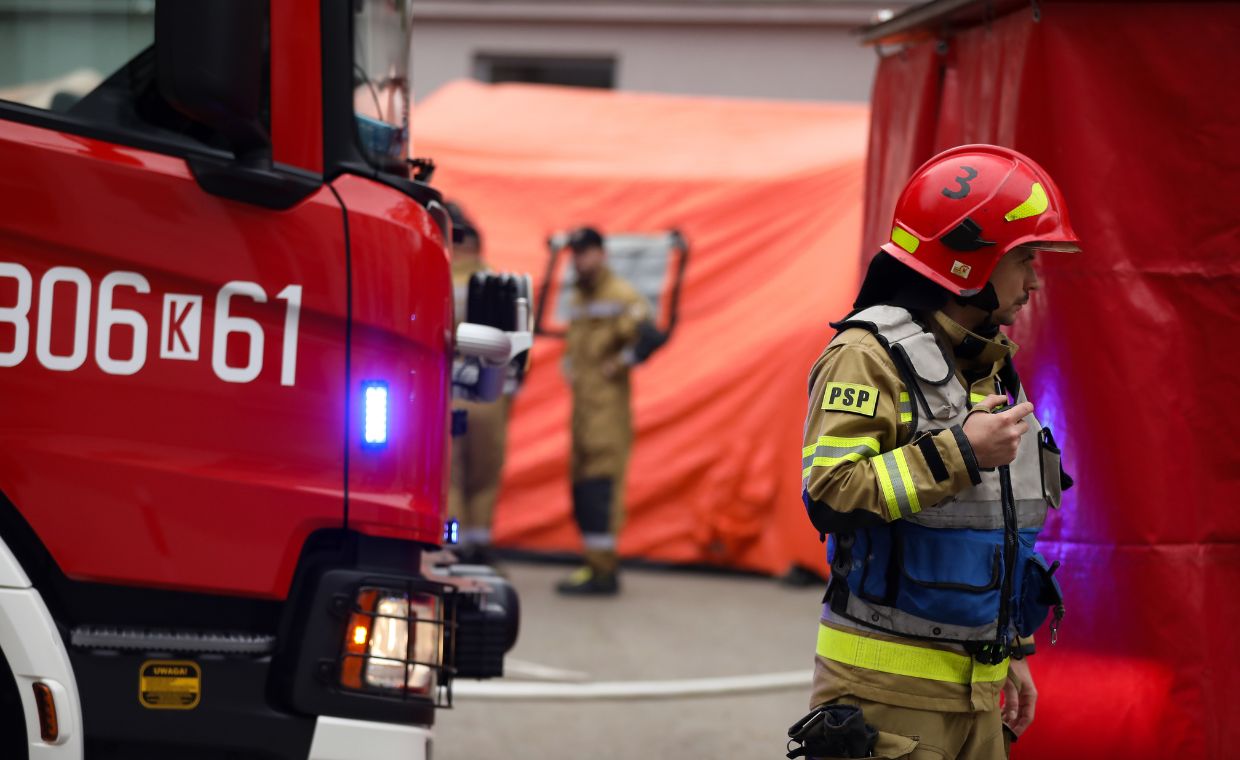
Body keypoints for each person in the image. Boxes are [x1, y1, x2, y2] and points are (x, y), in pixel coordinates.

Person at [791, 145, 1079, 759]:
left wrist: (1012, 649)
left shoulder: (990, 364)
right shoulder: (867, 356)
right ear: (969, 262)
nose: (1034, 280)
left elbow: (994, 526)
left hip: (979, 690)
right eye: (1024, 258)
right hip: (885, 695)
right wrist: (960, 452)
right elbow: (831, 495)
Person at [556, 226, 651, 595]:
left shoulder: (620, 294)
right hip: (582, 409)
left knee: (601, 485)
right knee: (581, 486)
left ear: (601, 253)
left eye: (585, 252)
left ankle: (604, 571)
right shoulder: (579, 297)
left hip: (607, 411)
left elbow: (648, 335)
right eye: (575, 253)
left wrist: (620, 364)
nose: (579, 260)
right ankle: (592, 563)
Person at [447, 202, 511, 565]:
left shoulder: (440, 278)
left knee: (450, 474)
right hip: (489, 393)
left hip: (451, 391)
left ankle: (452, 541)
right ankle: (480, 544)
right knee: (485, 473)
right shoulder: (497, 282)